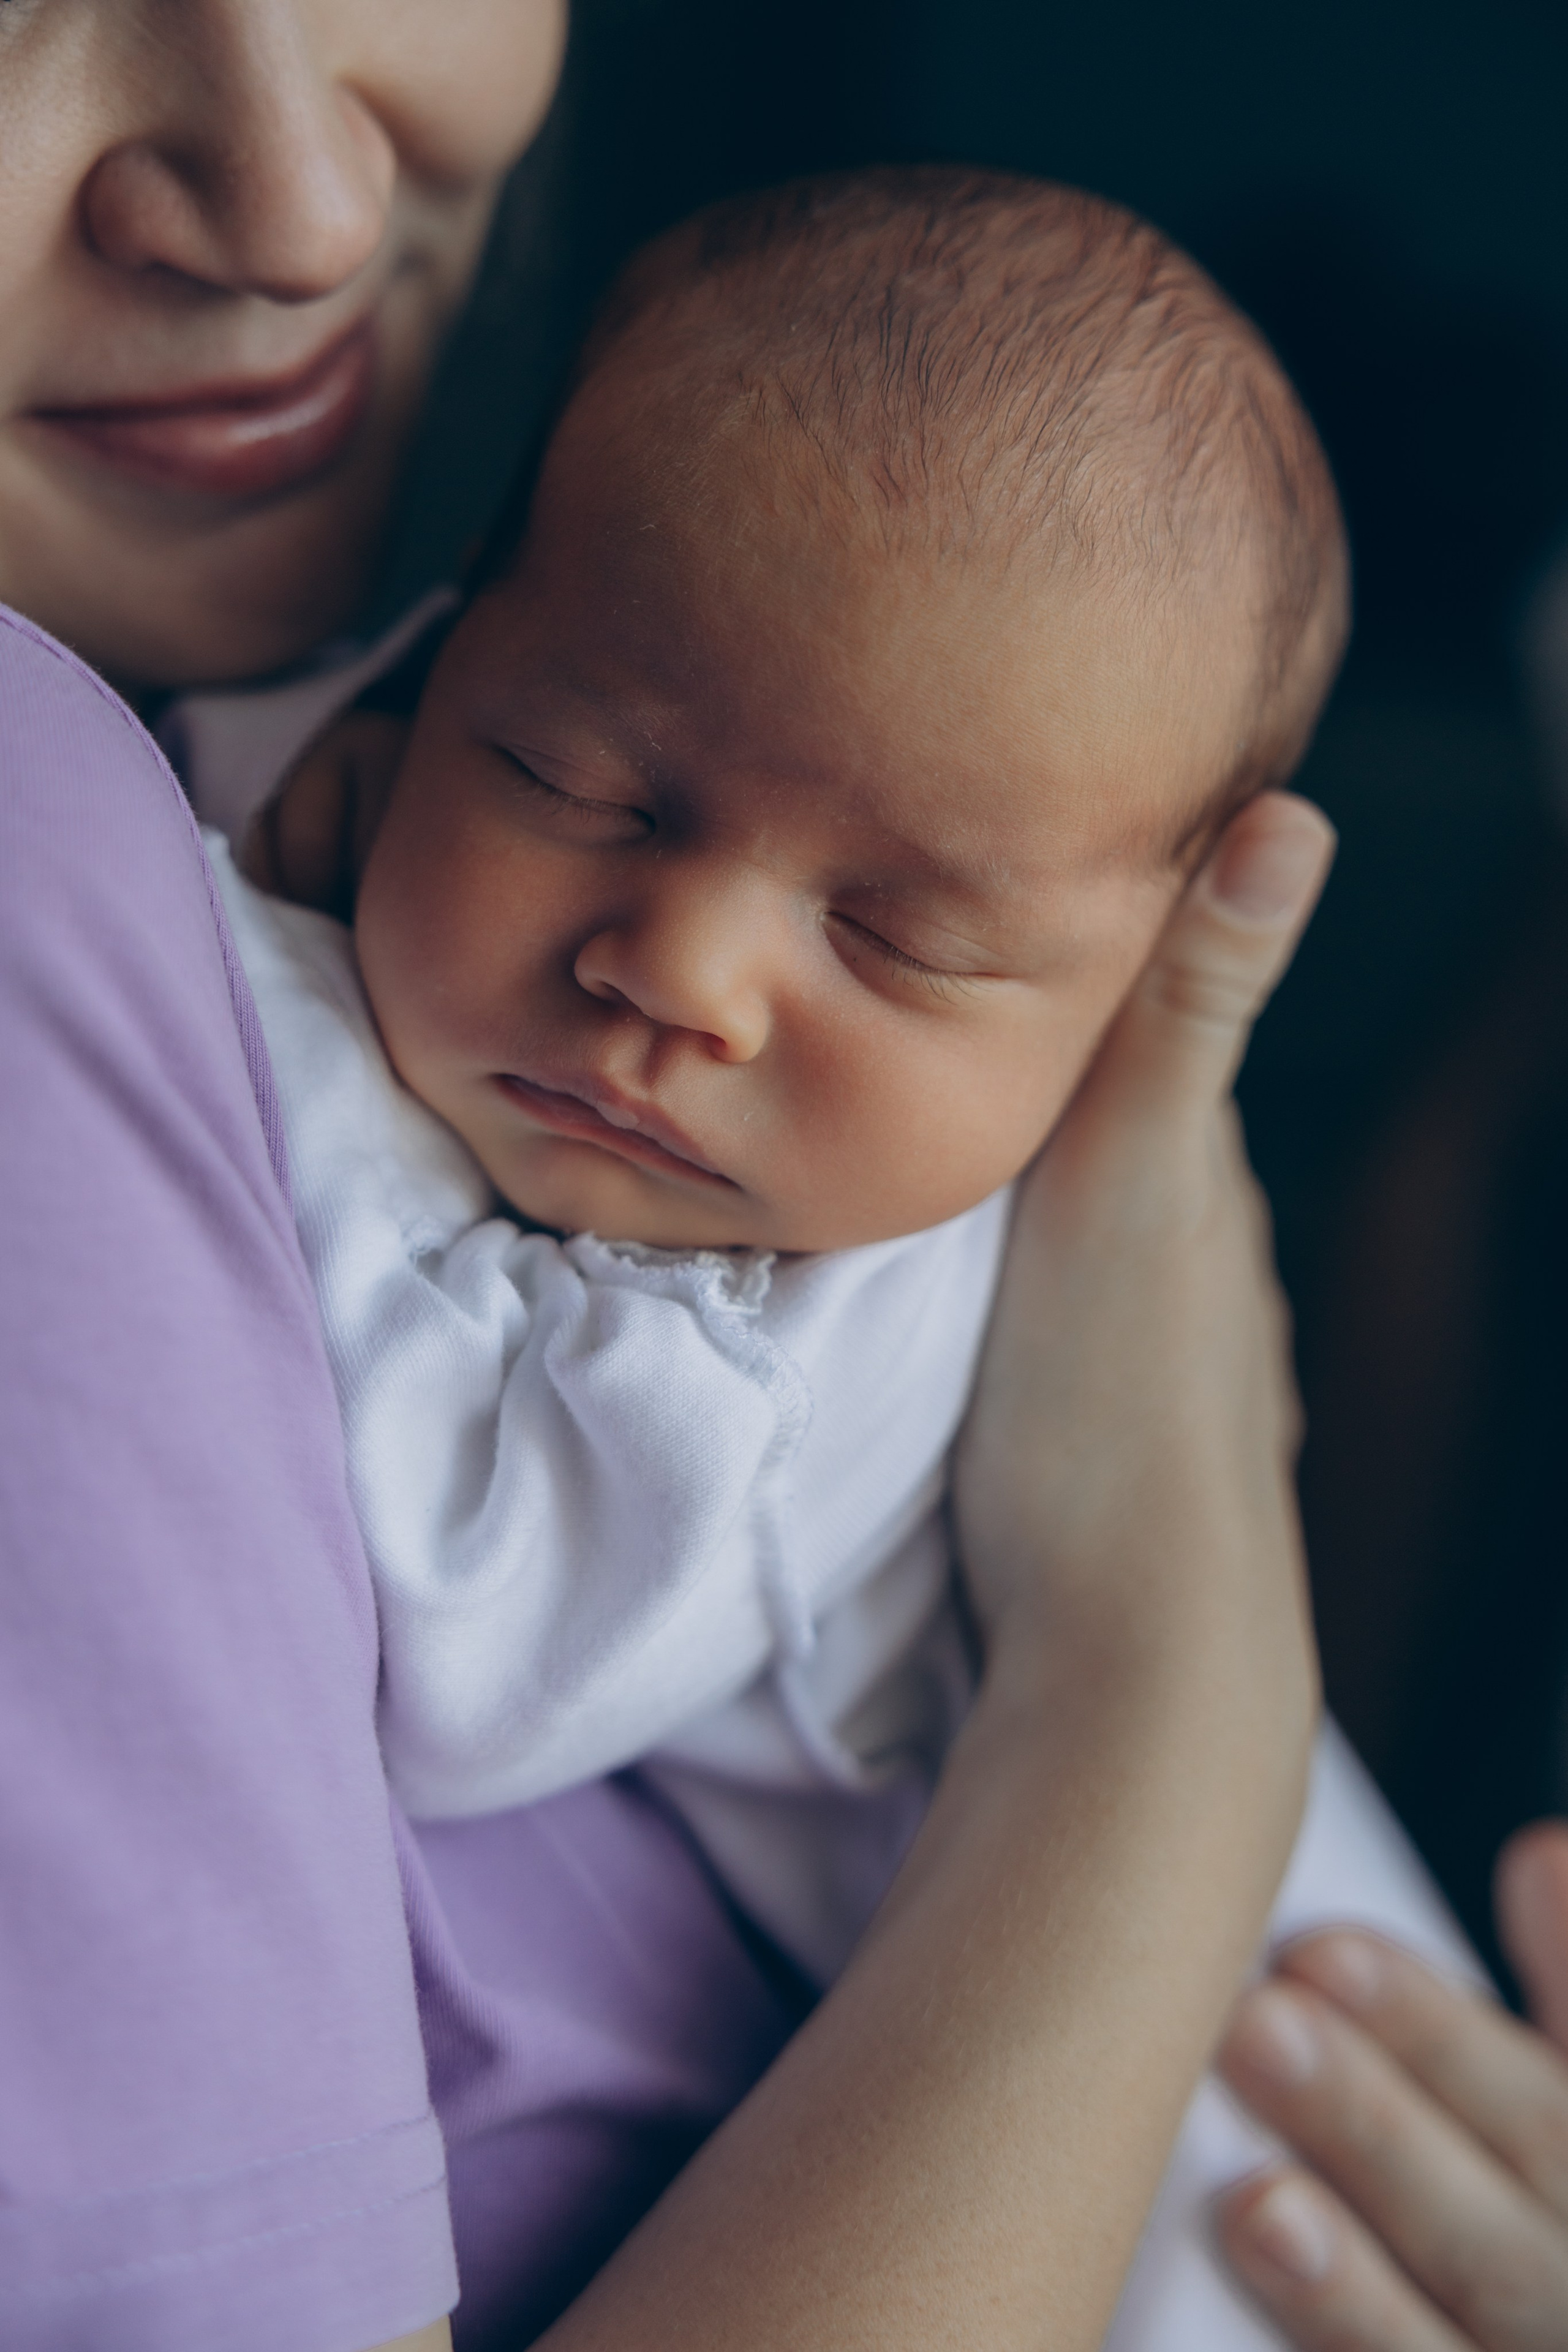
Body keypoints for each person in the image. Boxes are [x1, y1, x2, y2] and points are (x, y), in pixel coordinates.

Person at [0, 9, 1559, 2351]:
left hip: (1268, 2187)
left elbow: (469, 1645)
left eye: (904, 940)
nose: (687, 975)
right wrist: (1175, 1663)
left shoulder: (821, 1344)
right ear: (457, 679)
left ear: (1140, 990)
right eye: (574, 783)